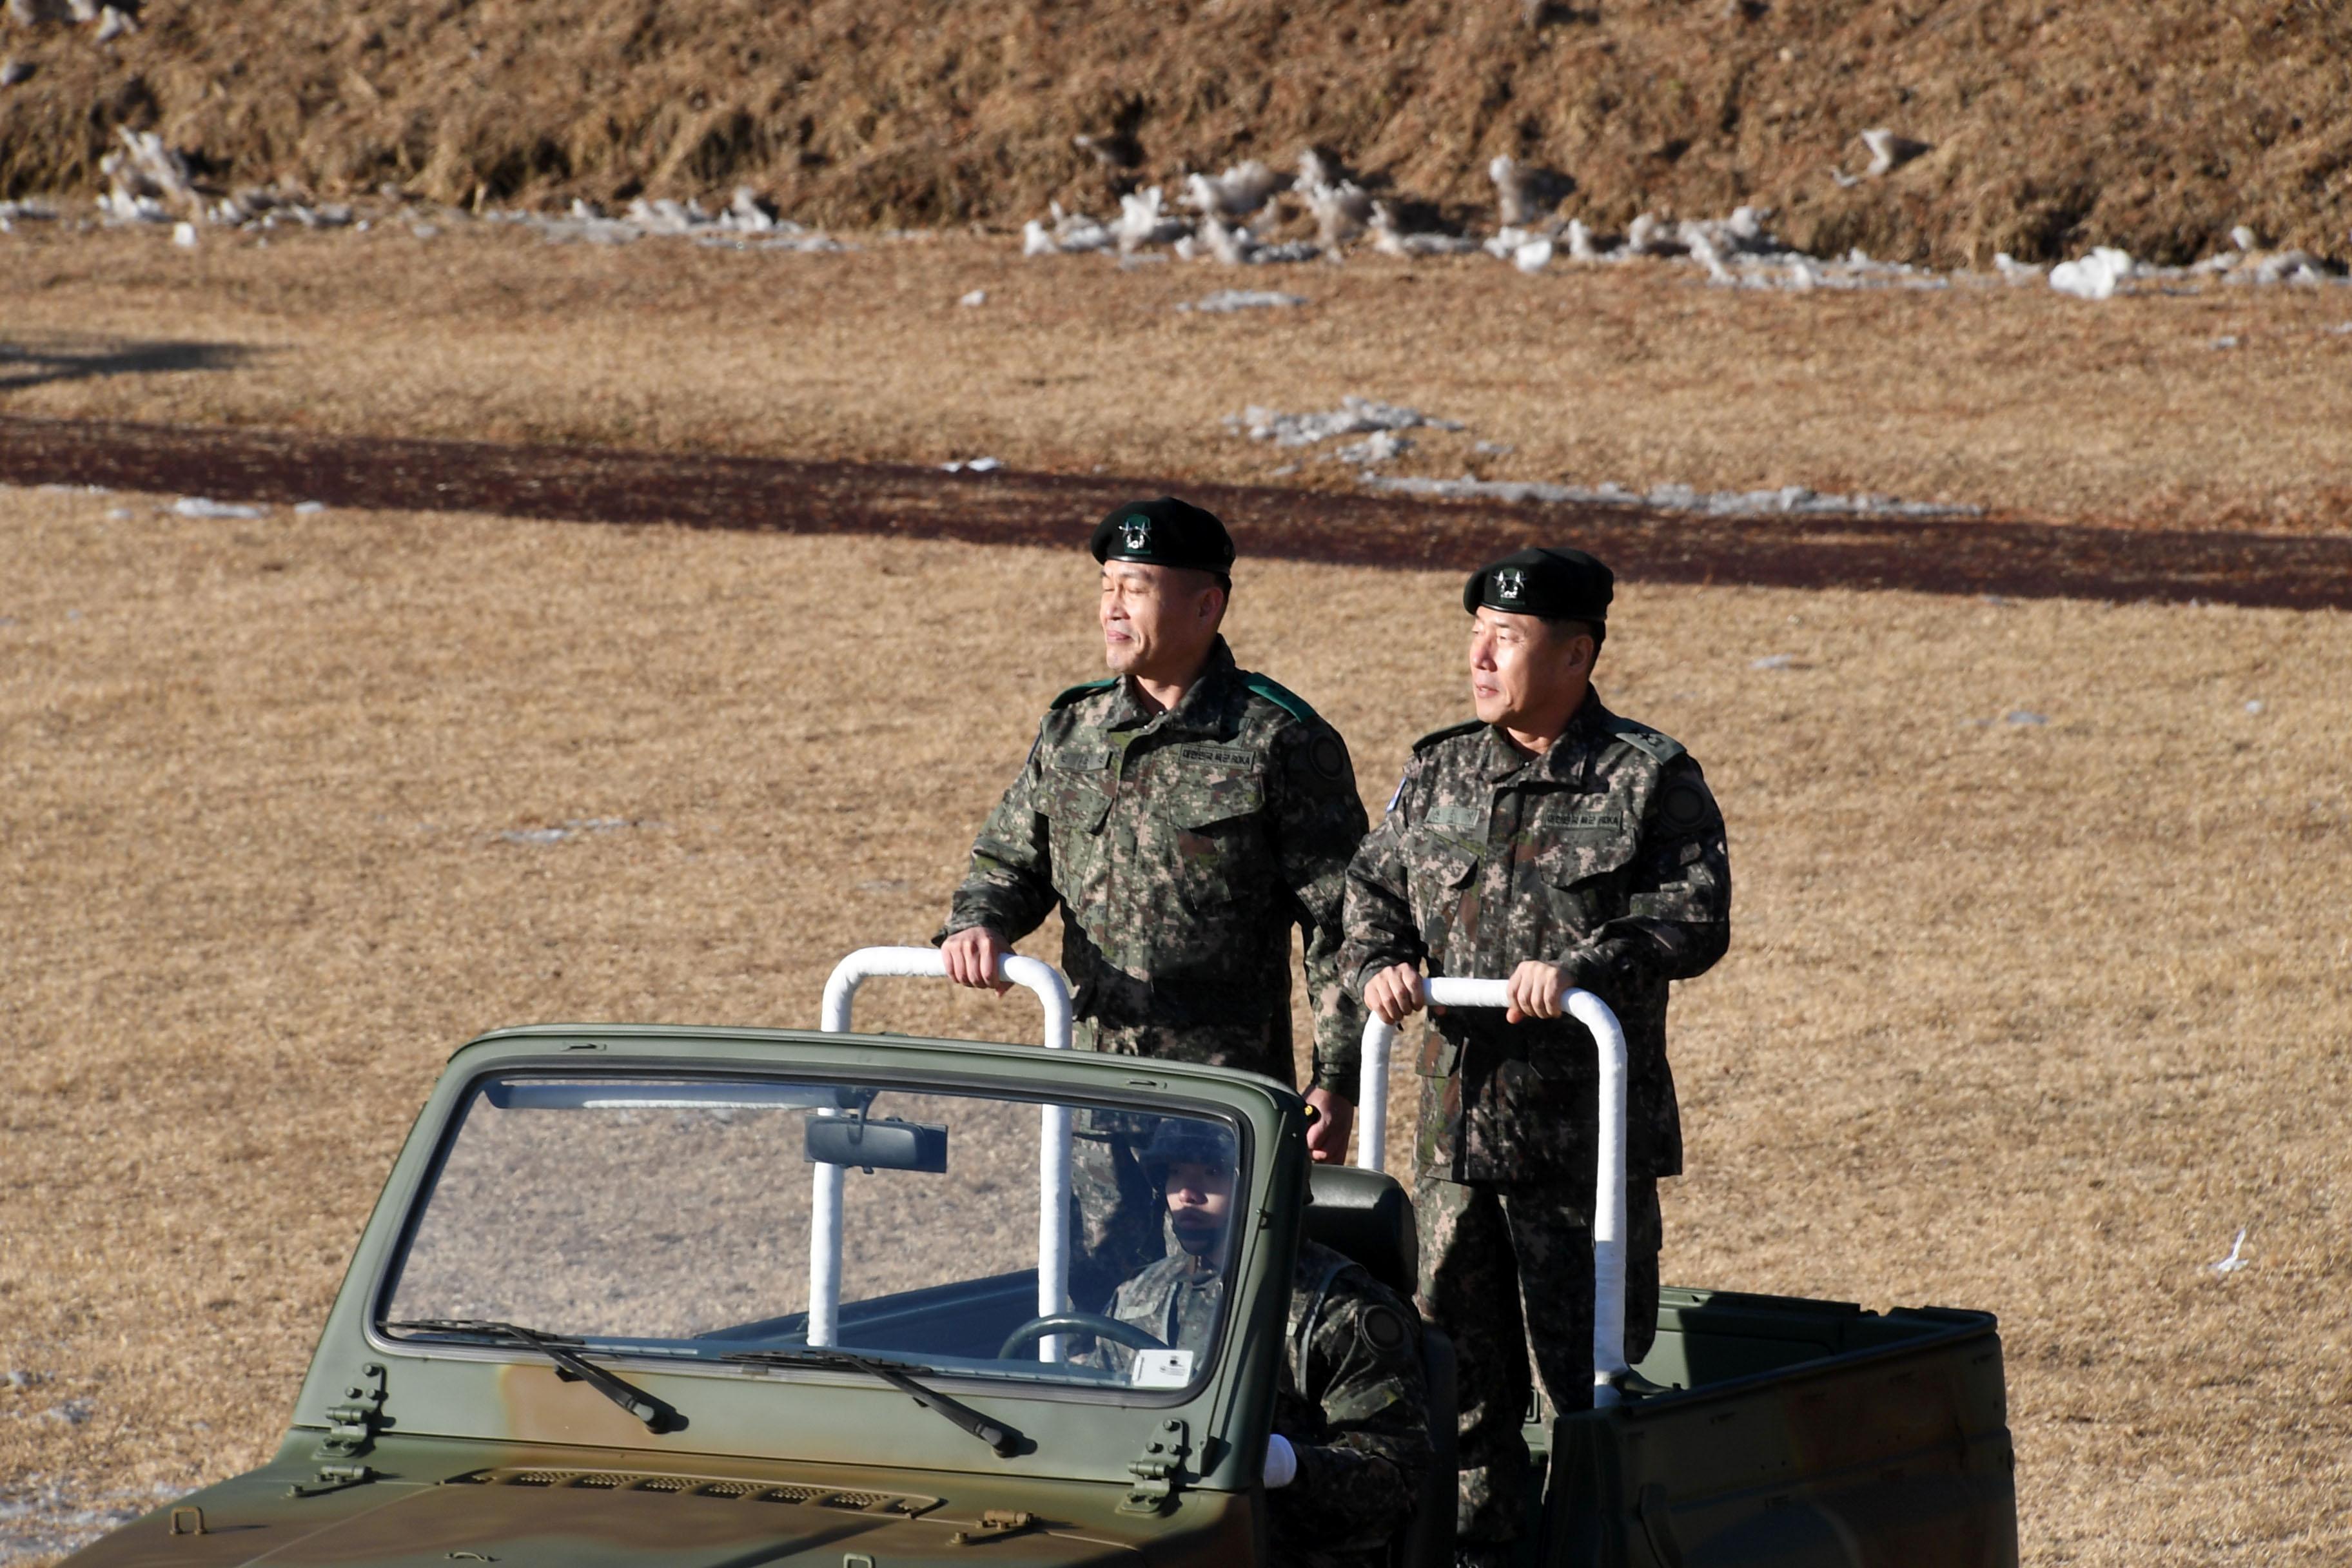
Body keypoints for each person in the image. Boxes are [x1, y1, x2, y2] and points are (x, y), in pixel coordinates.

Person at [1338, 546, 1732, 1567]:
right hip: (1453, 1151)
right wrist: (1380, 959)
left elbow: (1695, 916)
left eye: (1505, 638)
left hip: (1577, 1153)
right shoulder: (1439, 768)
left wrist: (1587, 964)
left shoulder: (1648, 775)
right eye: (1474, 634)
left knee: (1589, 1391)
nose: (1479, 655)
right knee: (1455, 1388)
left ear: (1576, 653)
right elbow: (1371, 891)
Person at [936, 496, 1371, 1308]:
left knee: (1222, 1306)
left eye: (1135, 585)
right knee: (1091, 1302)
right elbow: (1011, 855)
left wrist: (1336, 1077)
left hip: (1222, 1105)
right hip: (1094, 1093)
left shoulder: (1278, 740)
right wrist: (980, 920)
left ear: (1206, 604)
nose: (1111, 605)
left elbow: (1342, 923)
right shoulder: (1075, 726)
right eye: (1107, 584)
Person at [1095, 1121, 1433, 1568]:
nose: (1187, 1194)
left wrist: (1286, 1465)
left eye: (1212, 1174)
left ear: (1267, 1187)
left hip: (1286, 1548)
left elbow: (1397, 1486)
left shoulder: (1342, 1312)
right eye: (1177, 1173)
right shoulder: (1139, 1298)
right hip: (1146, 1536)